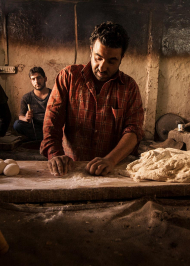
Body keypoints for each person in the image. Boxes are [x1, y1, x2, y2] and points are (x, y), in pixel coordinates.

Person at [40, 22, 144, 177]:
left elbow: (134, 130)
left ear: (122, 58)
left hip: (111, 171)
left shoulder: (129, 87)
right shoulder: (68, 77)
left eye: (111, 61)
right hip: (70, 170)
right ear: (91, 51)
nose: (102, 67)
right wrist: (55, 154)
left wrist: (110, 160)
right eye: (98, 58)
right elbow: (52, 121)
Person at [13, 67, 51, 141]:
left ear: (45, 79)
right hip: (35, 127)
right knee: (17, 124)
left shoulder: (54, 95)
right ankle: (41, 138)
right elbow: (21, 116)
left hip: (50, 126)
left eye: (39, 78)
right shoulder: (26, 97)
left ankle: (44, 138)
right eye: (33, 79)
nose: (36, 81)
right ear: (31, 81)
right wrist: (26, 118)